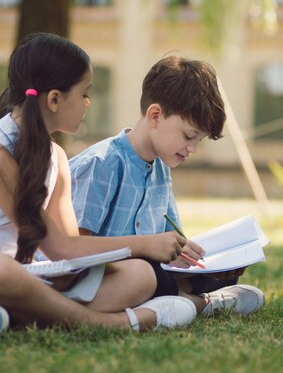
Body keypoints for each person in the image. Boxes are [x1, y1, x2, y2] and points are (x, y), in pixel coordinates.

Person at [0, 33, 198, 338]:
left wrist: (71, 275)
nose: (89, 102)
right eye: (84, 93)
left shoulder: (57, 159)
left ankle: (5, 318)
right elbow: (59, 246)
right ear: (54, 99)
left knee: (139, 275)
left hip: (18, 278)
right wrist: (145, 243)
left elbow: (67, 253)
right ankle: (115, 322)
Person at [68, 55, 264, 316]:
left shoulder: (161, 168)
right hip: (105, 277)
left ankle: (186, 297)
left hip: (150, 272)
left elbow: (171, 242)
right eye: (188, 136)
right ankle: (201, 304)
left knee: (217, 276)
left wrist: (205, 260)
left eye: (199, 141)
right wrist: (148, 249)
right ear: (156, 115)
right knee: (148, 275)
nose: (192, 149)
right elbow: (74, 252)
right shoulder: (102, 164)